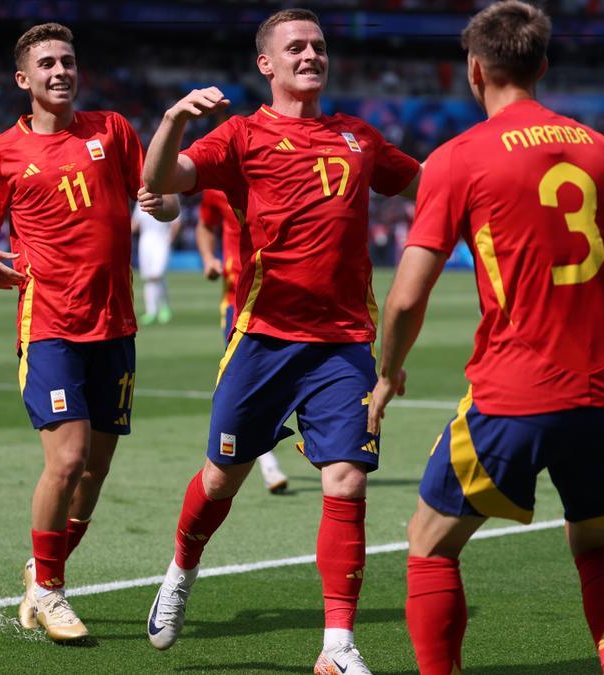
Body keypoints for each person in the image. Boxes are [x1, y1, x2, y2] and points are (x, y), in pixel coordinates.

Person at [365, 3, 604, 674]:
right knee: (593, 540)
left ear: (474, 70)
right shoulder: (603, 151)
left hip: (517, 388)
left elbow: (407, 296)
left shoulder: (457, 158)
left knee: (430, 543)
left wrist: (388, 372)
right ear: (543, 66)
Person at [141, 9, 421, 673]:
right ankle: (181, 570)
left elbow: (430, 181)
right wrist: (177, 116)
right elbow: (160, 180)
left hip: (344, 343)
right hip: (263, 340)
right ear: (267, 63)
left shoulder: (359, 137)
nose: (311, 55)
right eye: (296, 46)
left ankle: (337, 646)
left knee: (347, 480)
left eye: (319, 46)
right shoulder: (239, 136)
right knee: (220, 479)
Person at [0, 23, 179, 643]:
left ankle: (39, 570)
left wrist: (166, 206)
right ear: (23, 80)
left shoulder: (113, 130)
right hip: (50, 322)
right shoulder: (1, 151)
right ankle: (53, 591)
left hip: (115, 324)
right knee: (69, 458)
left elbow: (158, 193)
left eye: (69, 61)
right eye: (48, 63)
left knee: (96, 472)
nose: (61, 71)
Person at [195, 188, 289, 495]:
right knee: (243, 381)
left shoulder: (277, 169)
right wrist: (209, 258)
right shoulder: (216, 185)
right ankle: (267, 460)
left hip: (283, 295)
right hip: (239, 299)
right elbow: (206, 224)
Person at [132, 199, 180, 324]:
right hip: (145, 242)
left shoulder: (166, 196)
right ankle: (151, 311)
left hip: (161, 240)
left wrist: (170, 238)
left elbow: (176, 221)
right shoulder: (140, 201)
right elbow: (135, 224)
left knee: (157, 274)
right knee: (148, 277)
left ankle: (164, 307)